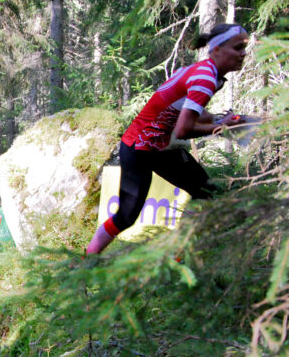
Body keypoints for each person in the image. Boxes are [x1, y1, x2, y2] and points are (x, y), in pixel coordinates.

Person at [86, 23, 249, 255]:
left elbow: (187, 110)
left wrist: (217, 118)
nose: (243, 53)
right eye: (237, 48)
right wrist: (220, 127)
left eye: (244, 47)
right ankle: (85, 262)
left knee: (207, 192)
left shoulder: (206, 72)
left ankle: (180, 256)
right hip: (139, 149)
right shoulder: (206, 78)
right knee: (126, 216)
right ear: (217, 50)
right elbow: (184, 130)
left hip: (162, 147)